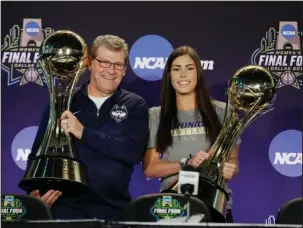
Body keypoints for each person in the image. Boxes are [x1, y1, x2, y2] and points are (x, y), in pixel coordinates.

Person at [25, 34, 149, 220]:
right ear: (90, 64)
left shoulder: (134, 105)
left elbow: (131, 151)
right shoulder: (62, 102)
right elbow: (37, 153)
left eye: (118, 65)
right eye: (104, 62)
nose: (111, 70)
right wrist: (34, 192)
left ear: (124, 70)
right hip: (65, 209)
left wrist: (82, 132)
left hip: (114, 210)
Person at [143, 46, 241, 222]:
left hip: (214, 206)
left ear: (198, 73)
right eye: (176, 69)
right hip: (173, 208)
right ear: (169, 76)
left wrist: (229, 169)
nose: (183, 75)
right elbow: (150, 169)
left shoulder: (224, 113)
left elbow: (233, 162)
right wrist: (186, 163)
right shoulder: (156, 115)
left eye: (189, 68)